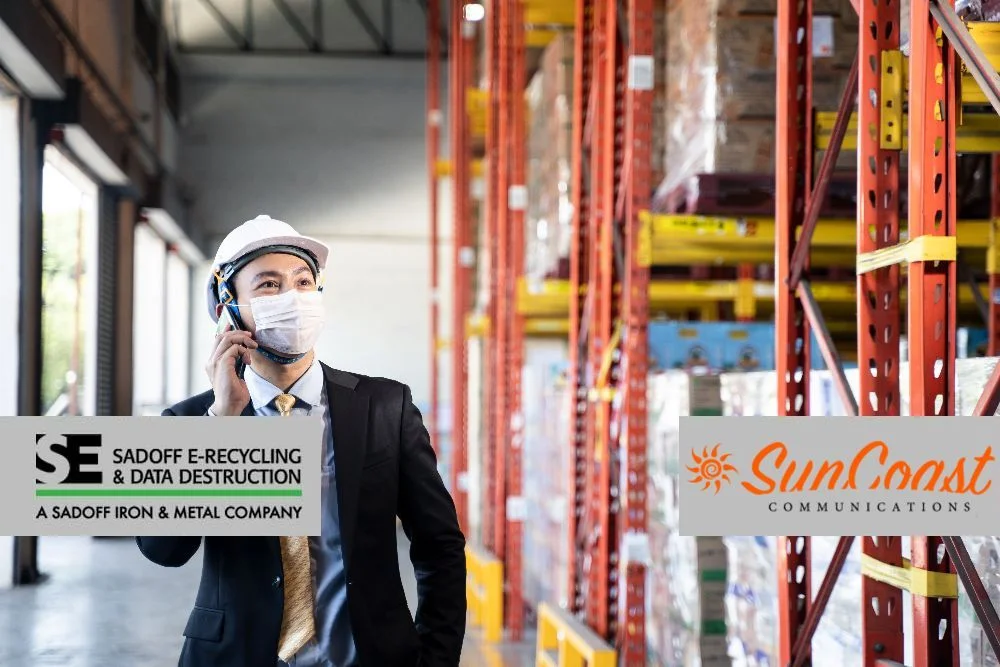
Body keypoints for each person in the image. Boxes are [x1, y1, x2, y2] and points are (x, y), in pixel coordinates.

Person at [136, 215, 467, 667]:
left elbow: (438, 544)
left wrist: (436, 660)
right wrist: (221, 424)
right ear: (227, 307)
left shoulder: (385, 407)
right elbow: (164, 550)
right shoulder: (191, 421)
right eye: (269, 285)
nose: (292, 298)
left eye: (303, 281)